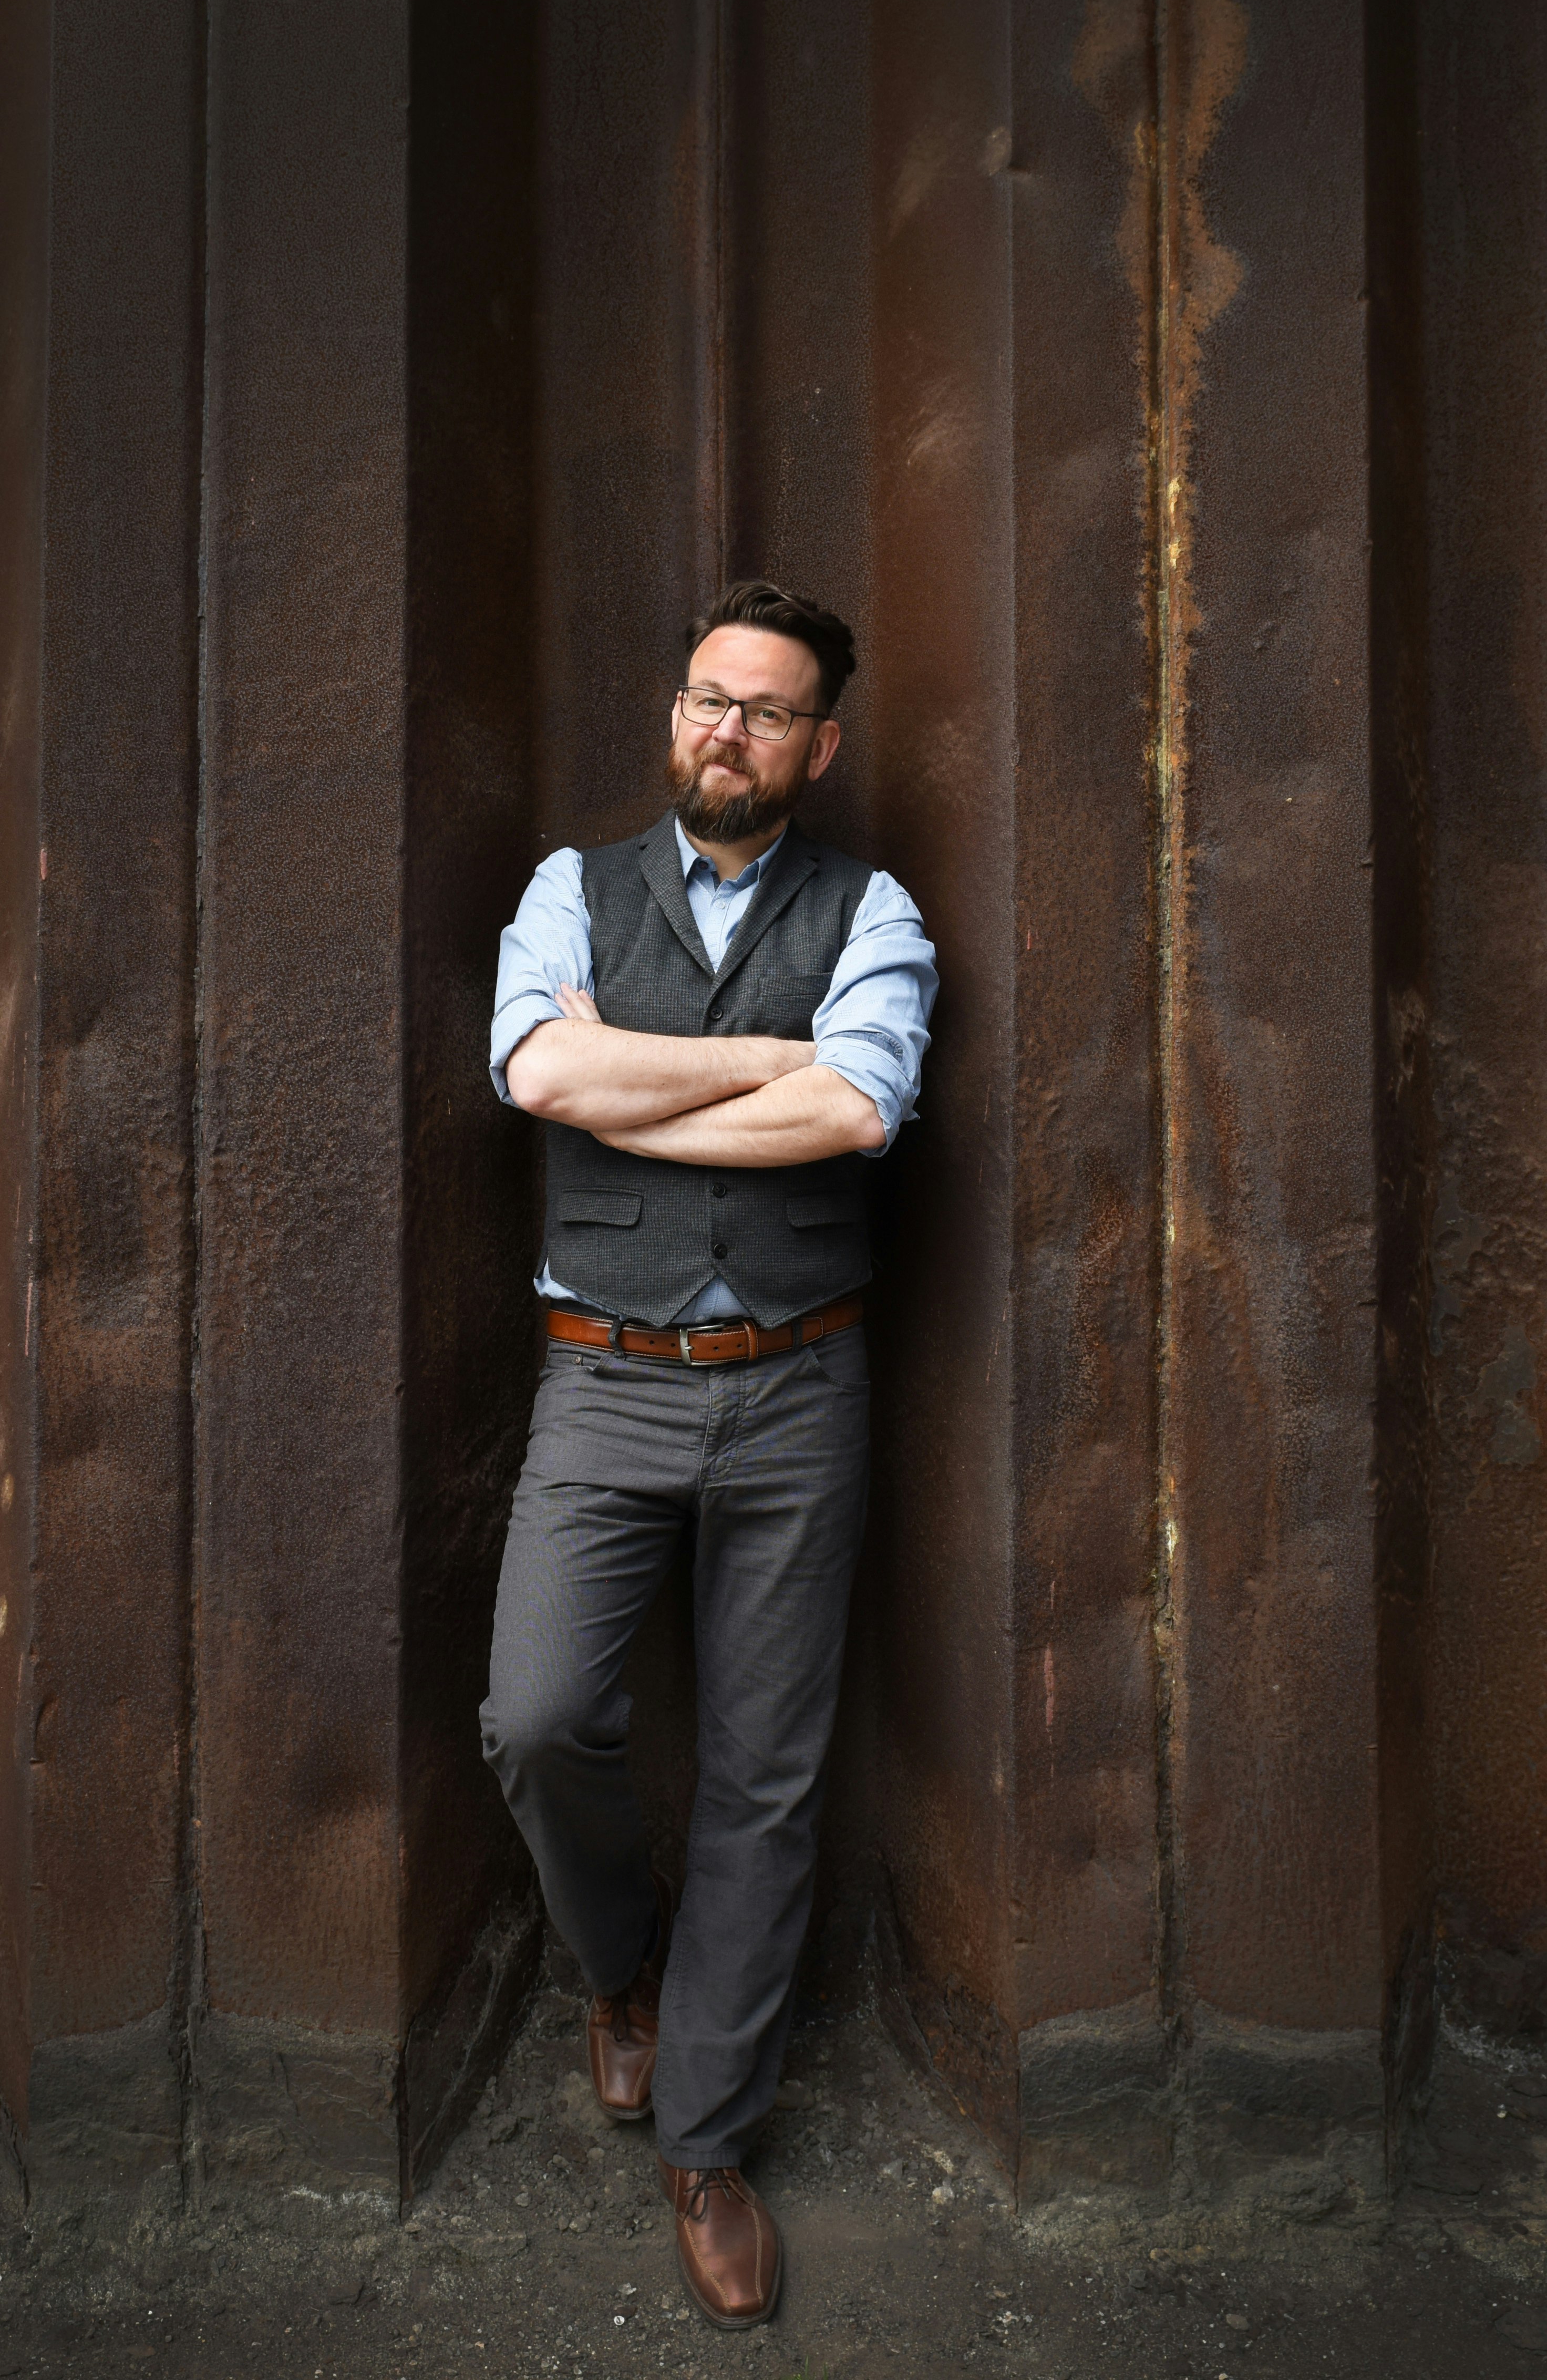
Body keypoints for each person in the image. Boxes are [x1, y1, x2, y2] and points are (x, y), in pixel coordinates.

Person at [481, 582, 937, 2330]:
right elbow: (537, 1073)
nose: (722, 730)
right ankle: (619, 1971)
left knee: (766, 1770)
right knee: (536, 1715)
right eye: (702, 698)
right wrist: (759, 1054)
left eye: (762, 711)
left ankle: (710, 2135)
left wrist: (640, 1079)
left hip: (800, 1385)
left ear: (816, 746)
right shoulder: (565, 890)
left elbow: (860, 1108)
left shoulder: (871, 905)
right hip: (602, 1374)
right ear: (674, 712)